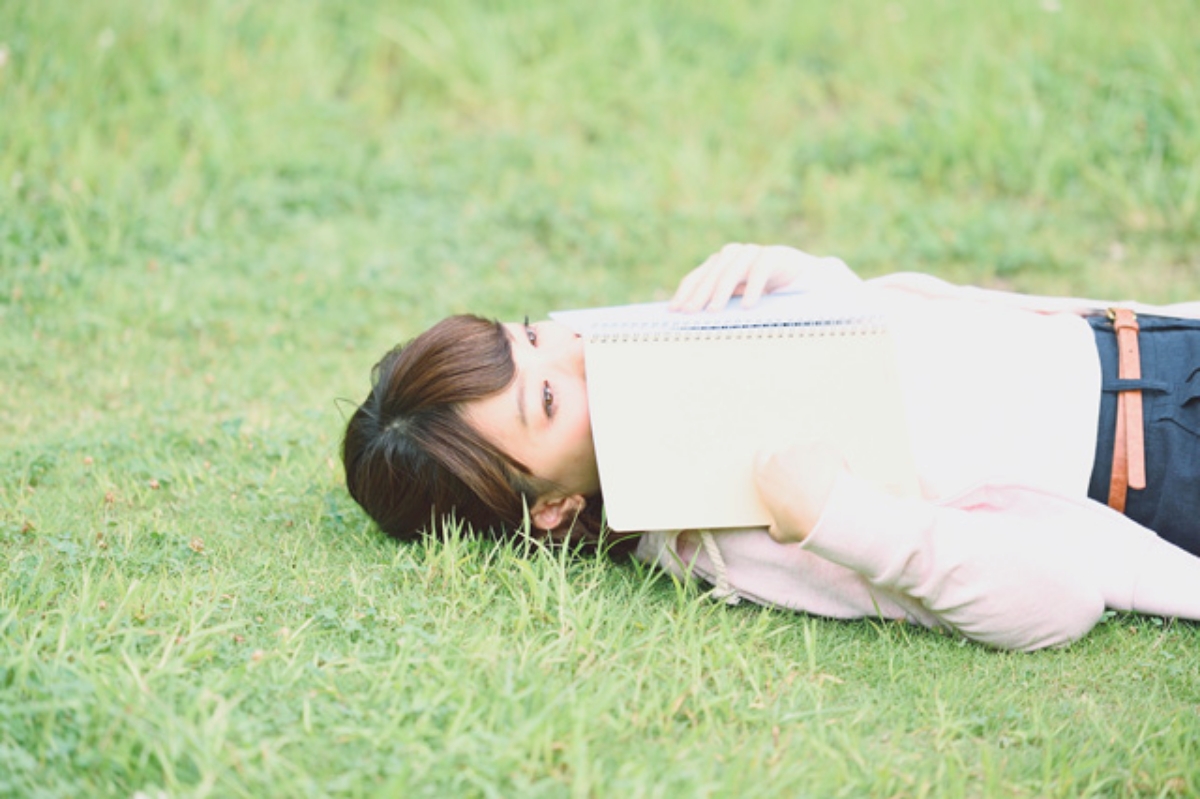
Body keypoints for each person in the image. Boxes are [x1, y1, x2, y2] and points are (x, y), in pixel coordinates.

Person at [342, 243, 1200, 651]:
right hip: (1162, 458)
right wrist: (848, 519)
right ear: (555, 506)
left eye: (530, 332)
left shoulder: (676, 347)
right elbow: (1055, 602)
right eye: (550, 395)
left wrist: (800, 279)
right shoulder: (735, 533)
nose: (573, 347)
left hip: (1155, 342)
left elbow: (918, 348)